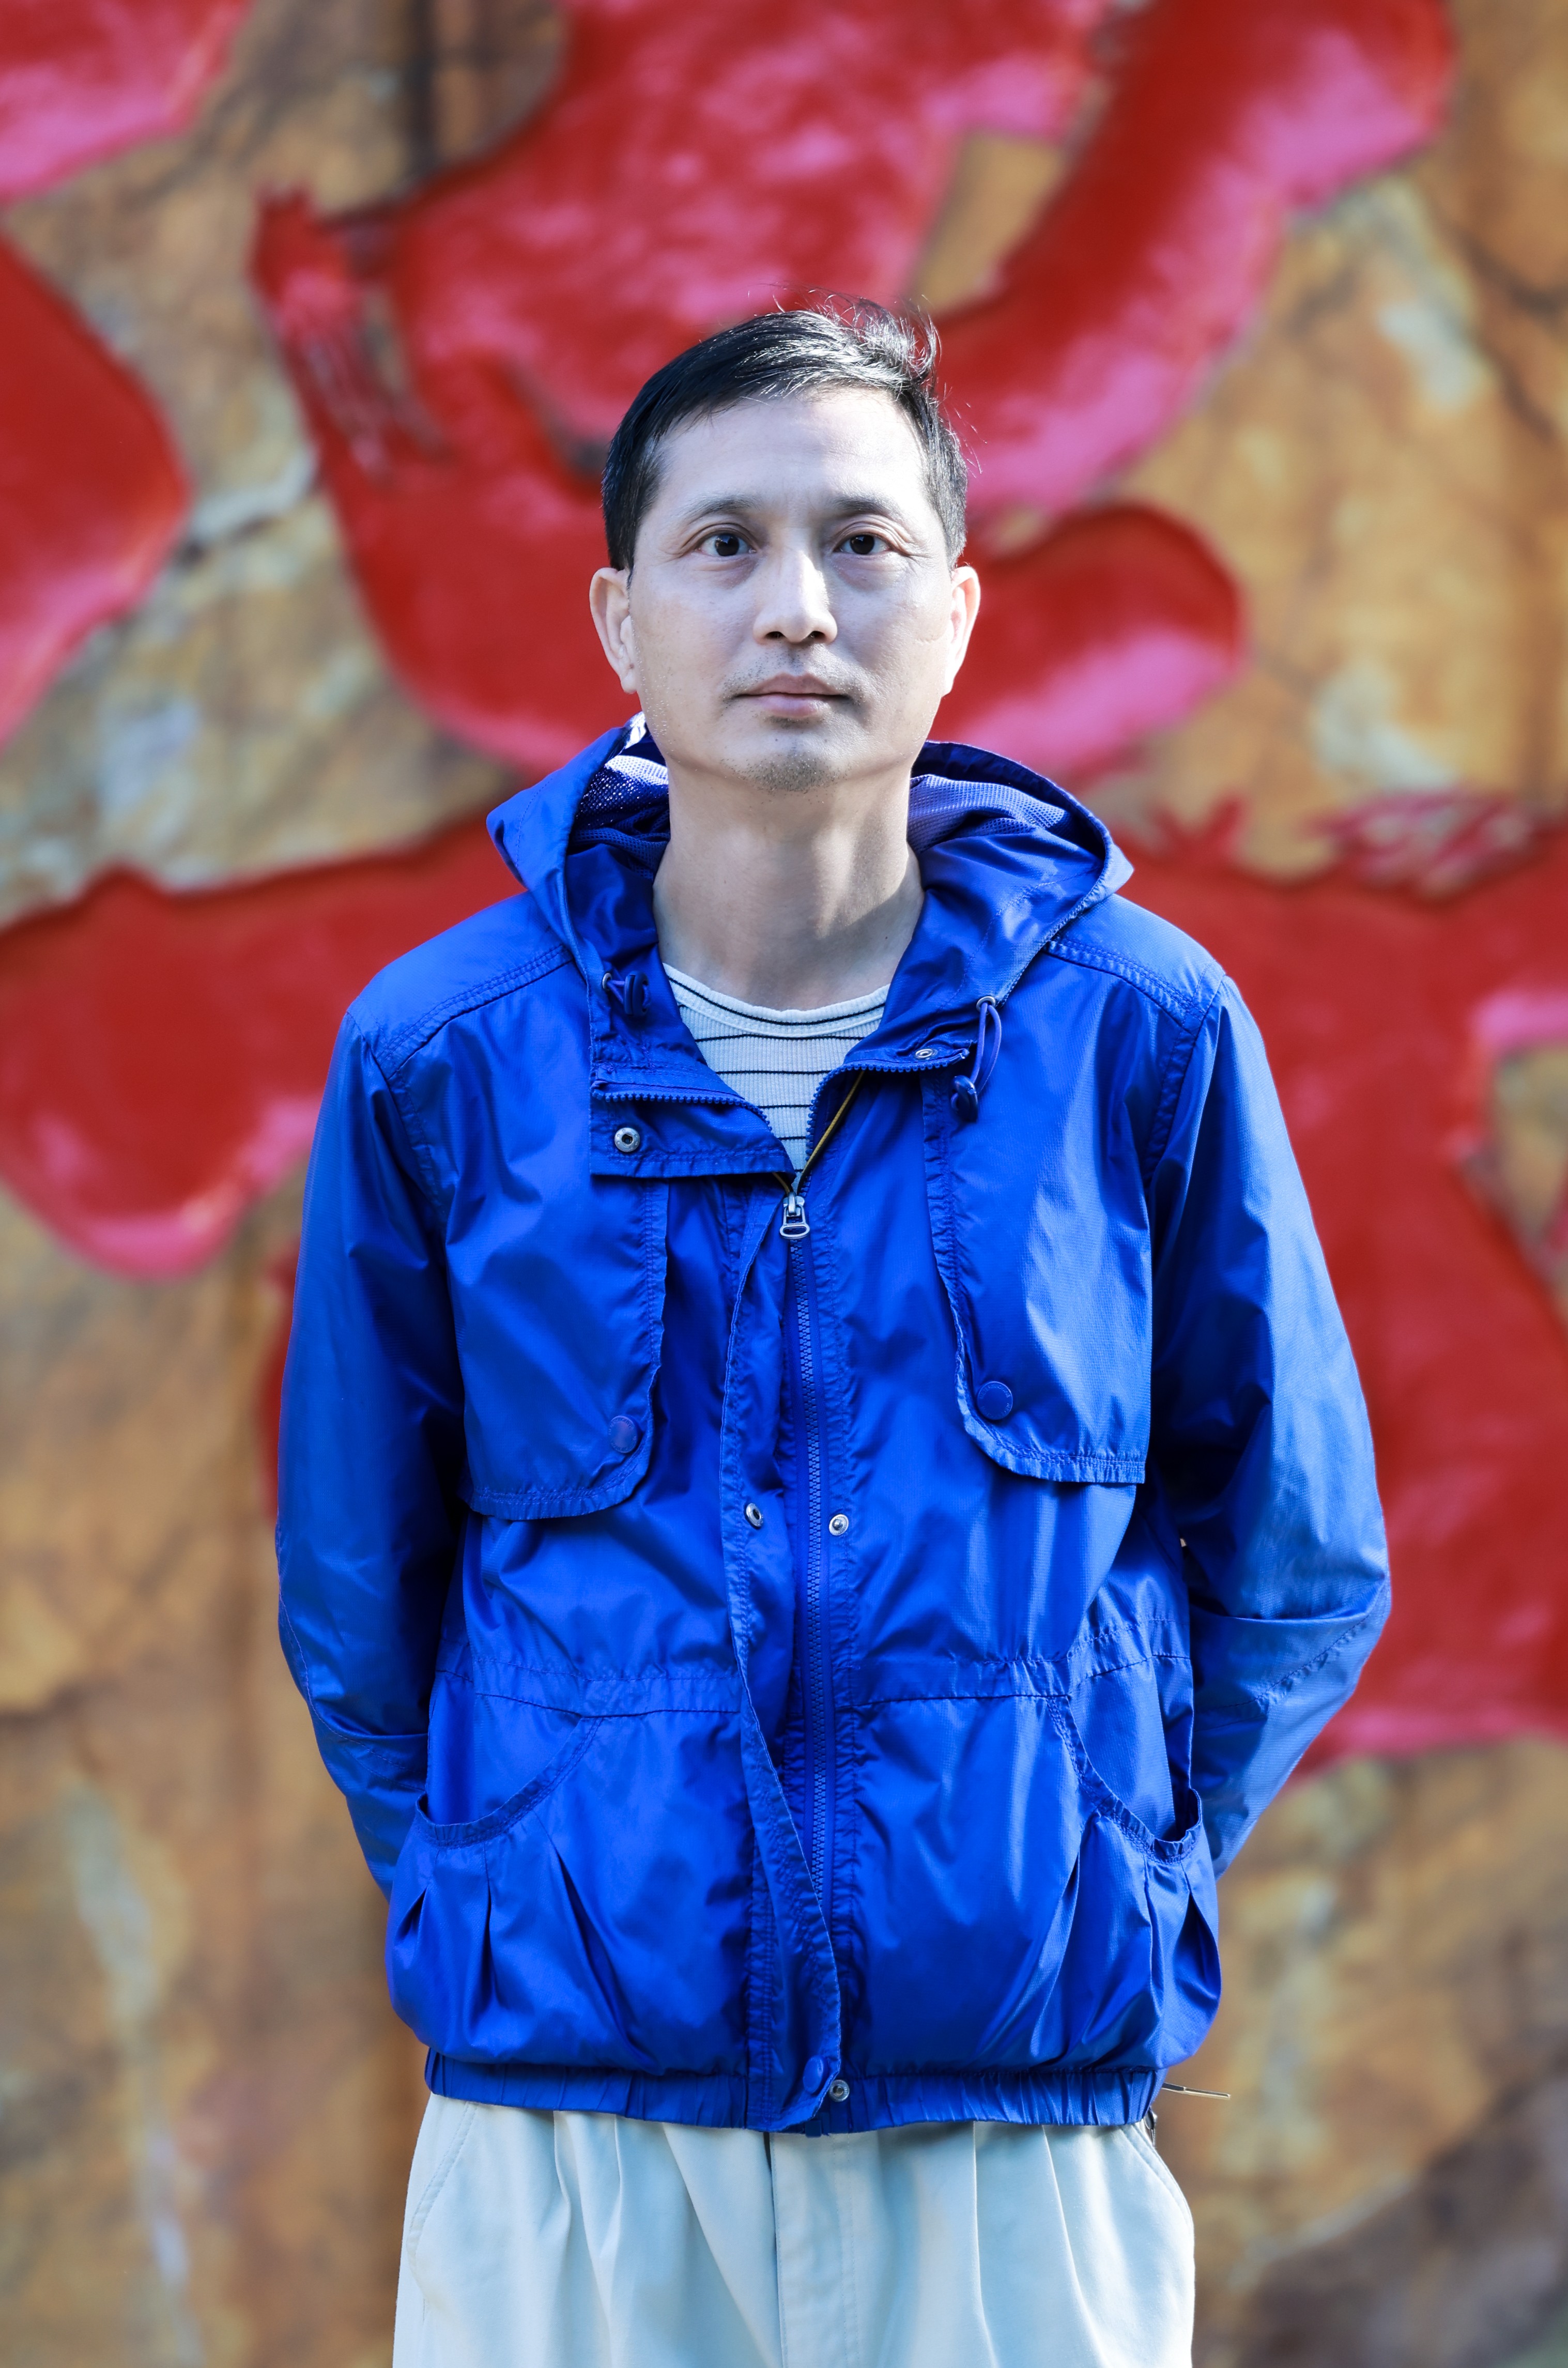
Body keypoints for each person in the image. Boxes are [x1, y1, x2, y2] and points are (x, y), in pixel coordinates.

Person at [276, 302, 1388, 2368]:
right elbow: (360, 1583)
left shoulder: (1136, 1033)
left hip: (1009, 2146)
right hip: (572, 2148)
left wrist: (1105, 1870)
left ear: (955, 617)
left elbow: (1300, 1556)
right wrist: (501, 1884)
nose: (796, 604)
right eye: (725, 545)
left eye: (862, 544)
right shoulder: (445, 1054)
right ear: (620, 620)